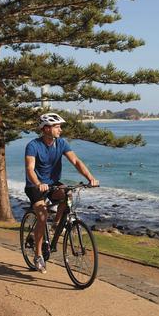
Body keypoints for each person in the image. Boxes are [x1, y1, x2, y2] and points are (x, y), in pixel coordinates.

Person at [24, 113, 99, 274]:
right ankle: (38, 256)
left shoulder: (62, 143)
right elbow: (30, 168)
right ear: (46, 128)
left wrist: (90, 178)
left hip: (52, 184)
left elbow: (76, 161)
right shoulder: (33, 145)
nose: (60, 129)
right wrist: (38, 184)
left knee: (67, 195)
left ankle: (56, 224)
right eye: (57, 126)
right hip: (35, 186)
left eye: (59, 126)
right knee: (42, 216)